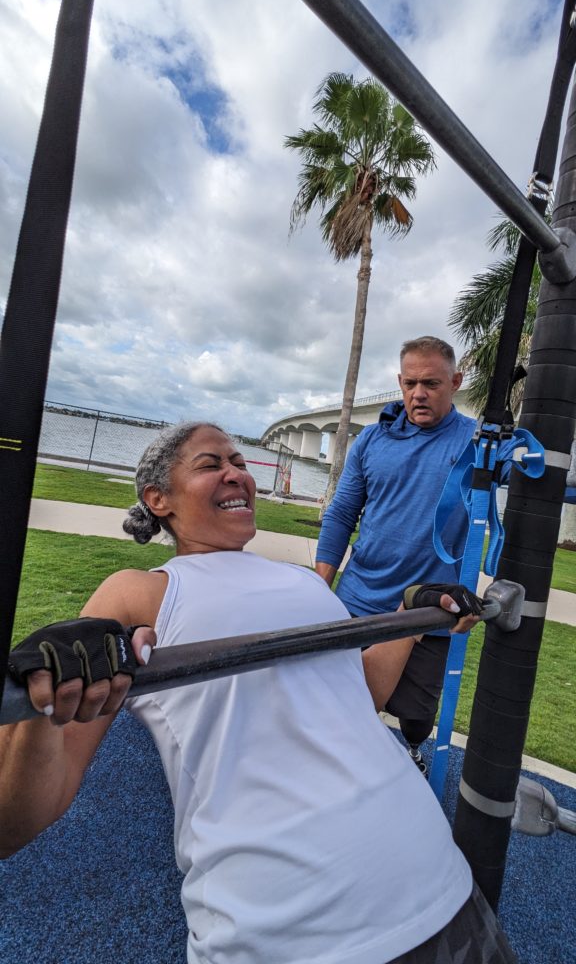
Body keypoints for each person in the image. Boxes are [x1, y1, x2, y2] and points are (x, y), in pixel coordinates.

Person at [0, 422, 517, 964]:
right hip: (291, 931)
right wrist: (49, 694)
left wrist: (410, 616)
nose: (236, 474)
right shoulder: (140, 591)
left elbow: (355, 697)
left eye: (241, 462)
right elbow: (14, 824)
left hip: (443, 887)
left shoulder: (303, 581)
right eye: (210, 464)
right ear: (158, 499)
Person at [316, 336, 510, 776]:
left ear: (456, 382)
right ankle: (341, 769)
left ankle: (412, 748)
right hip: (358, 598)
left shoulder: (479, 443)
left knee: (416, 714)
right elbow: (343, 513)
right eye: (409, 383)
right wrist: (318, 585)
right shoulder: (372, 440)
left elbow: (531, 476)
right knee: (339, 697)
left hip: (429, 608)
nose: (418, 393)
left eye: (431, 383)